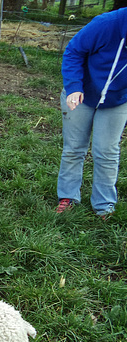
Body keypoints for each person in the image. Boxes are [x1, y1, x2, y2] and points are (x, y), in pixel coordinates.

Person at [56, 7, 127, 218]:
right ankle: (68, 197)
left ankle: (104, 205)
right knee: (74, 148)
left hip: (118, 100)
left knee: (107, 151)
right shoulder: (107, 23)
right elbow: (74, 50)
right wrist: (74, 85)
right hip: (81, 93)